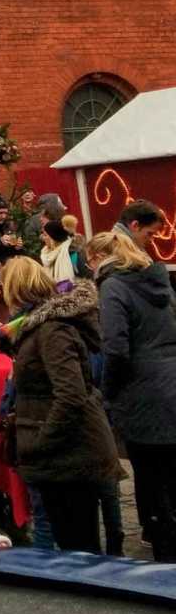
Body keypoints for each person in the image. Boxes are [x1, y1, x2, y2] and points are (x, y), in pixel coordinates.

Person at [1, 256, 121, 553]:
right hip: (64, 452)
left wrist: (42, 440)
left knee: (78, 546)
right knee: (73, 541)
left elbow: (71, 393)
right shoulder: (42, 326)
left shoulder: (51, 330)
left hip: (69, 454)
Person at [89, 229, 176, 562]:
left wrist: (108, 393)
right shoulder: (160, 282)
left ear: (99, 258)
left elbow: (115, 347)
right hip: (170, 384)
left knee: (152, 484)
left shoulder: (113, 286)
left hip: (142, 394)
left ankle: (164, 566)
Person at [40, 218, 76, 290]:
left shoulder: (72, 253)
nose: (43, 238)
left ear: (53, 238)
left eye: (45, 235)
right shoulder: (46, 253)